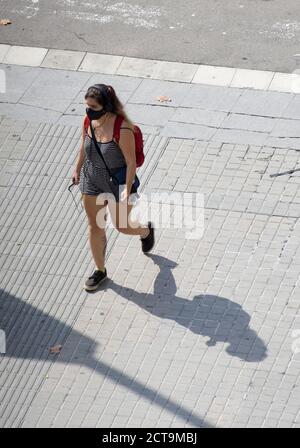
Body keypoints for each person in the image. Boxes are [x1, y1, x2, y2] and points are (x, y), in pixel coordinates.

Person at [71, 84, 154, 291]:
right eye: (87, 105)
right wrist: (77, 169)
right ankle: (100, 270)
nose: (89, 110)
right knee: (95, 226)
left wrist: (126, 190)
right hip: (91, 179)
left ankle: (145, 230)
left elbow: (131, 162)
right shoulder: (88, 120)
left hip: (117, 182)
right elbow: (84, 146)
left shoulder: (122, 128)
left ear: (106, 105)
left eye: (93, 106)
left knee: (122, 226)